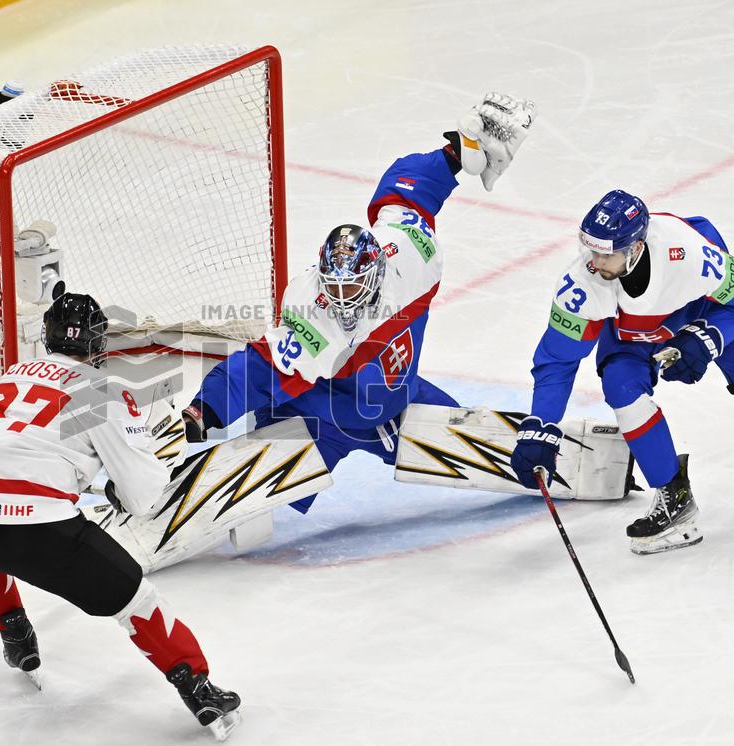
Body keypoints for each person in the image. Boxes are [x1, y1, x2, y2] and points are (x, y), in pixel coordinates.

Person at [180, 94, 536, 514]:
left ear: (377, 273)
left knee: (484, 451)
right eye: (334, 287)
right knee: (248, 505)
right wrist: (205, 409)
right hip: (319, 416)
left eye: (352, 288)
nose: (341, 299)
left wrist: (457, 153)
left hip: (396, 403)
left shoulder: (413, 257)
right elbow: (263, 365)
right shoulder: (314, 310)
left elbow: (406, 192)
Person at [0, 291, 241, 739]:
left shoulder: (11, 375)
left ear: (47, 335)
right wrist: (127, 480)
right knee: (137, 601)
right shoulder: (102, 389)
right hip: (39, 532)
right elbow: (142, 496)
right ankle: (198, 688)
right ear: (98, 343)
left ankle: (13, 631)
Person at [510, 189, 733, 554]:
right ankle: (674, 500)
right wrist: (542, 425)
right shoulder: (583, 284)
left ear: (635, 248)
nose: (595, 262)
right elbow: (558, 360)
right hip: (636, 332)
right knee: (620, 384)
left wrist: (710, 337)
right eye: (591, 250)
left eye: (606, 253)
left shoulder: (688, 254)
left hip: (704, 310)